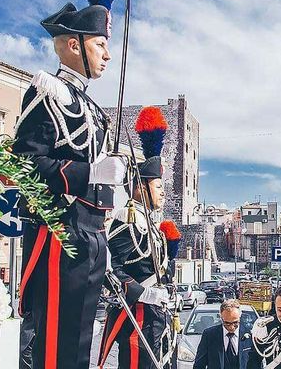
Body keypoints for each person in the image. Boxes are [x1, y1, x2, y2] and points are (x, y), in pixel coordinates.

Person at [14, 0, 127, 369]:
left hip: (90, 235)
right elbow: (24, 166)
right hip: (60, 233)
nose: (108, 54)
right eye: (101, 44)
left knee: (78, 346)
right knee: (53, 344)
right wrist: (87, 172)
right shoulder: (48, 93)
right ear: (74, 45)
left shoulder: (92, 109)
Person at [98, 106, 180, 368]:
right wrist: (143, 293)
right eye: (157, 187)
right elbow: (109, 271)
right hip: (140, 317)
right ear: (140, 187)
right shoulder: (127, 221)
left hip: (160, 318)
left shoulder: (152, 226)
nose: (162, 193)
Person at [193, 299, 253, 369]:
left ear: (240, 317)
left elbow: (256, 364)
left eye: (235, 322)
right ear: (221, 317)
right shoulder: (209, 335)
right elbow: (199, 365)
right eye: (227, 323)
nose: (231, 327)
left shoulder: (250, 335)